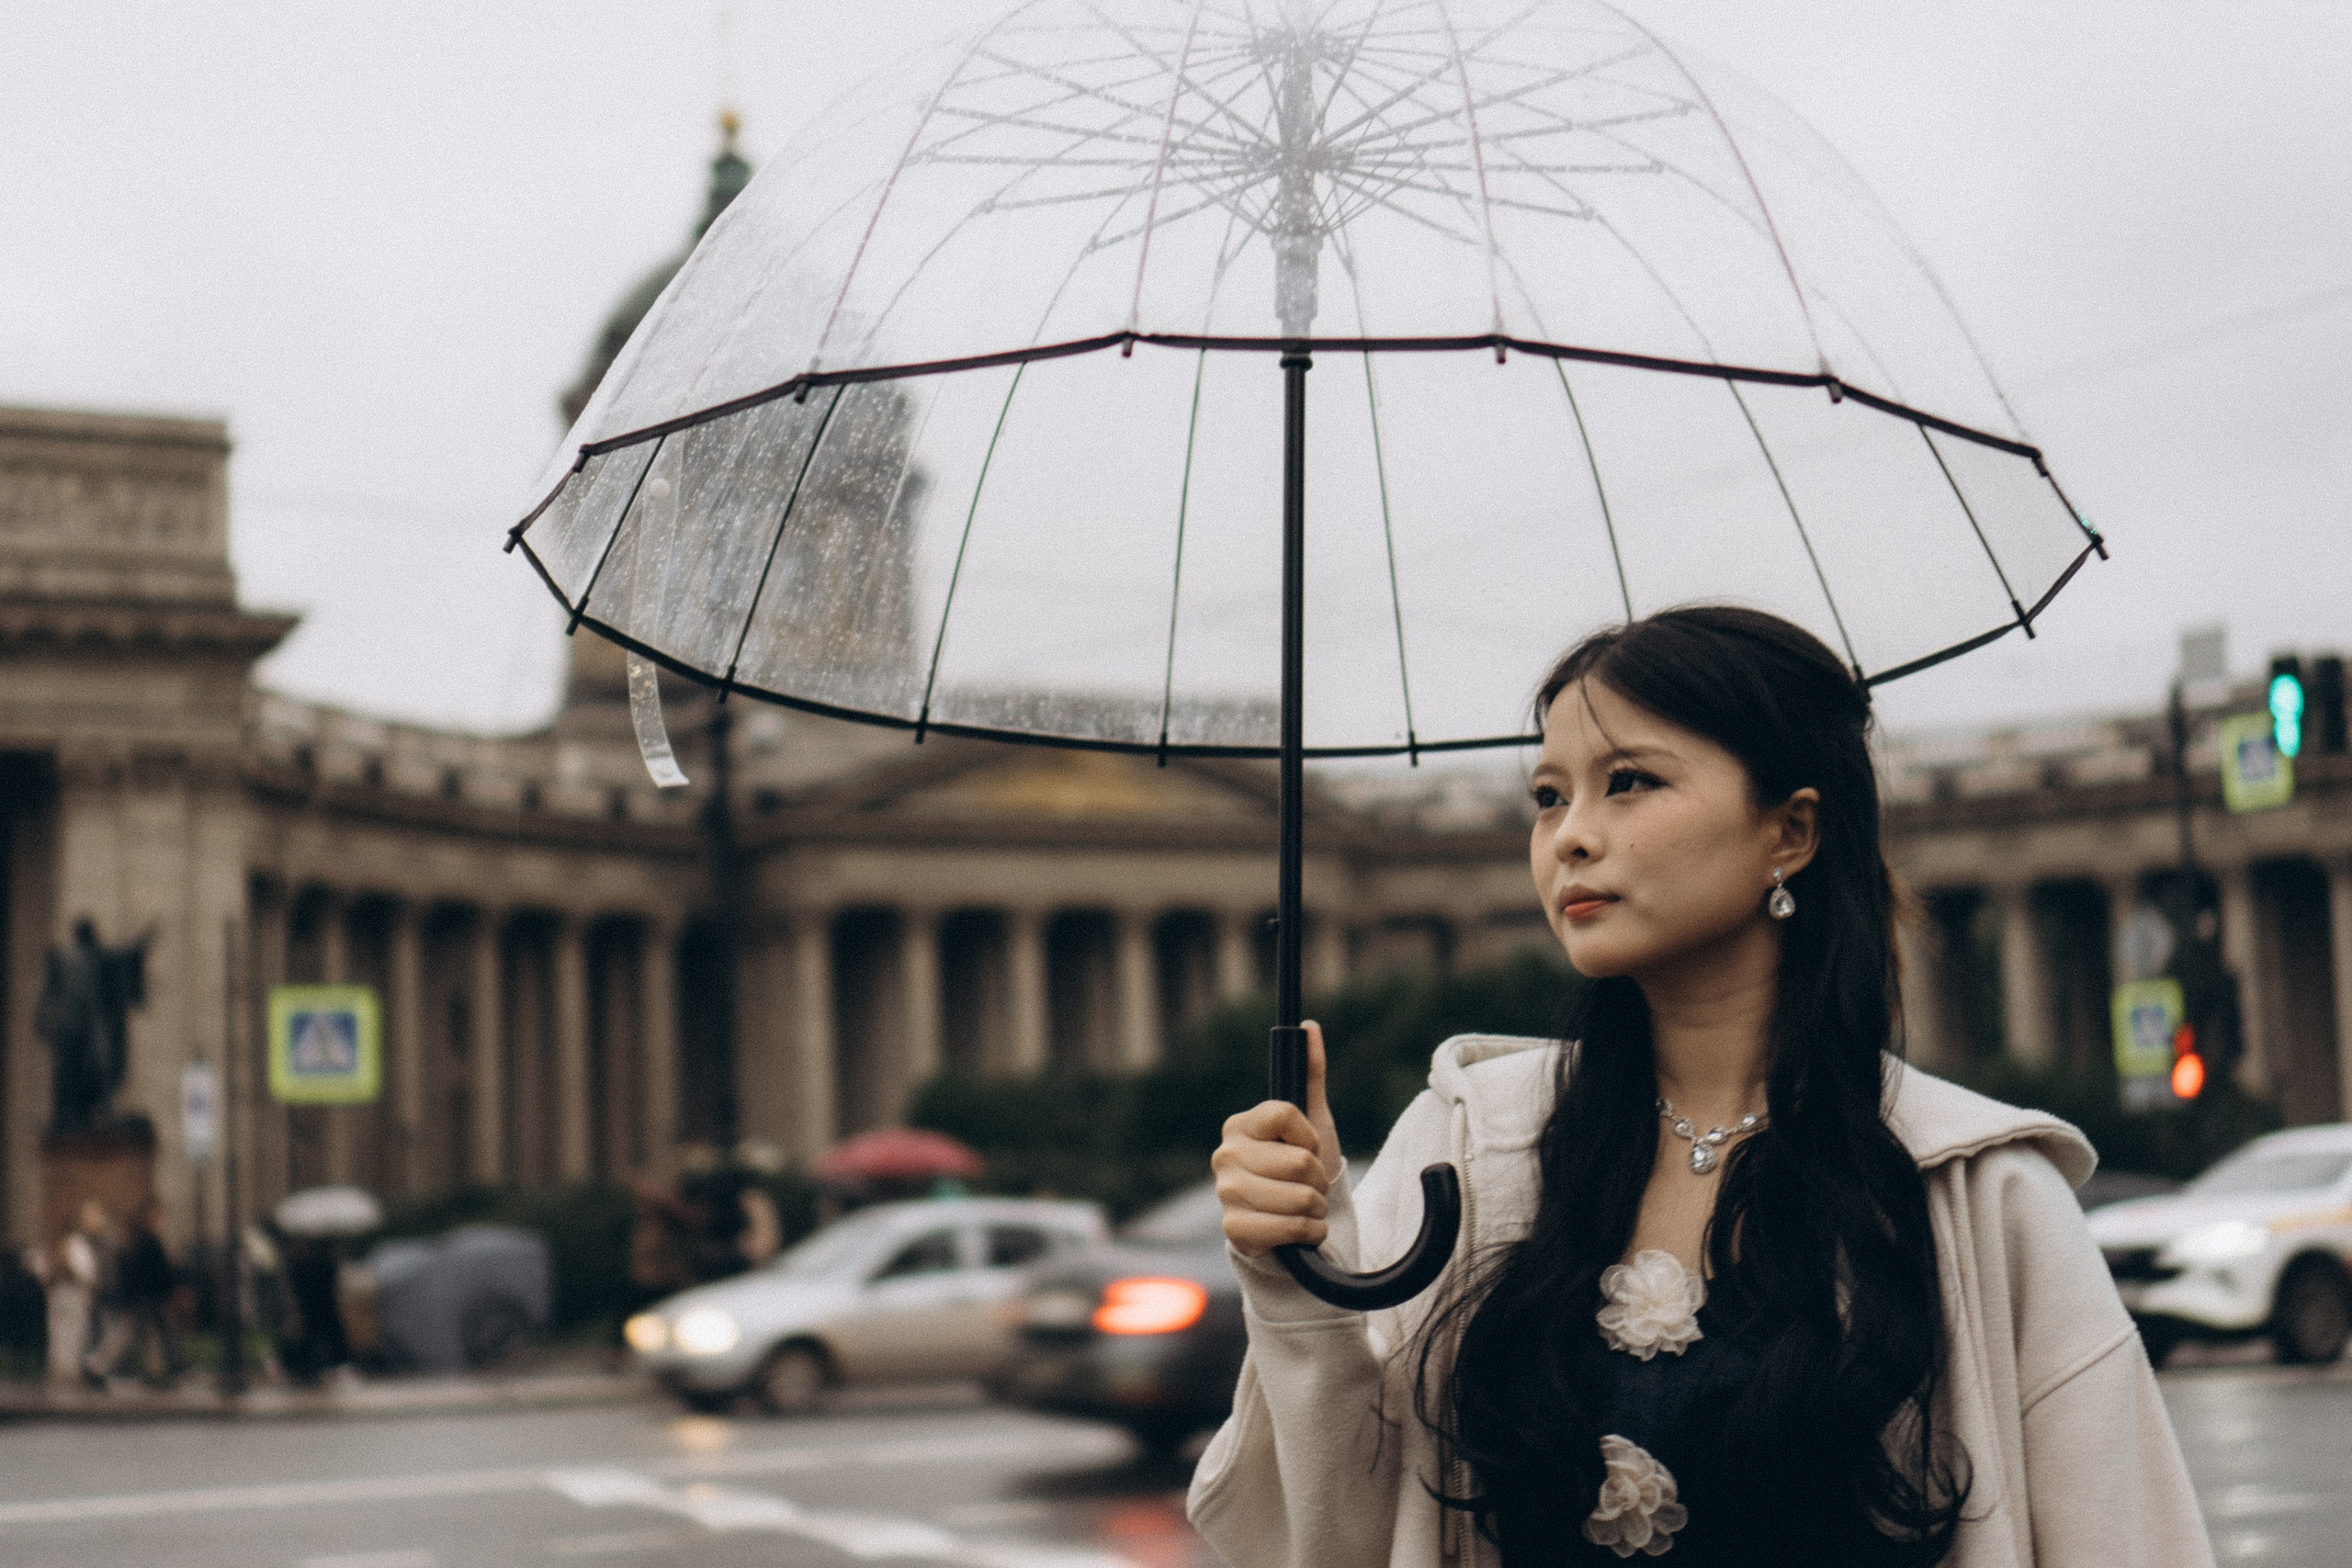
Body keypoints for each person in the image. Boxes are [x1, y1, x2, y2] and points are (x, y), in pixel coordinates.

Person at [1193, 607, 2211, 1567]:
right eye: (1548, 797)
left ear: (1791, 832)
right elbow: (1339, 1540)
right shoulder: (1464, 1148)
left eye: (1628, 781)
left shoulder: (1975, 1191)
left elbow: (2121, 1535)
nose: (1569, 837)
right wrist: (1296, 1273)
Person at [85, 1199, 180, 1386]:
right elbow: (156, 1274)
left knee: (146, 1335)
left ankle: (155, 1372)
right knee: (128, 1334)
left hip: (143, 1299)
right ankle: (96, 1365)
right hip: (146, 1299)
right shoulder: (149, 1242)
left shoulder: (140, 1241)